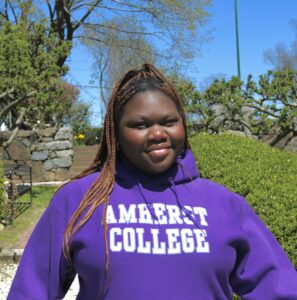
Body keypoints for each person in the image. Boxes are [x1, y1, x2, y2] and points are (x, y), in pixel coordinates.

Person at [8, 64, 297, 300]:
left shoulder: (224, 205)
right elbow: (31, 291)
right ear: (116, 135)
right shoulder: (79, 199)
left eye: (168, 121)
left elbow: (279, 287)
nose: (157, 133)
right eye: (141, 124)